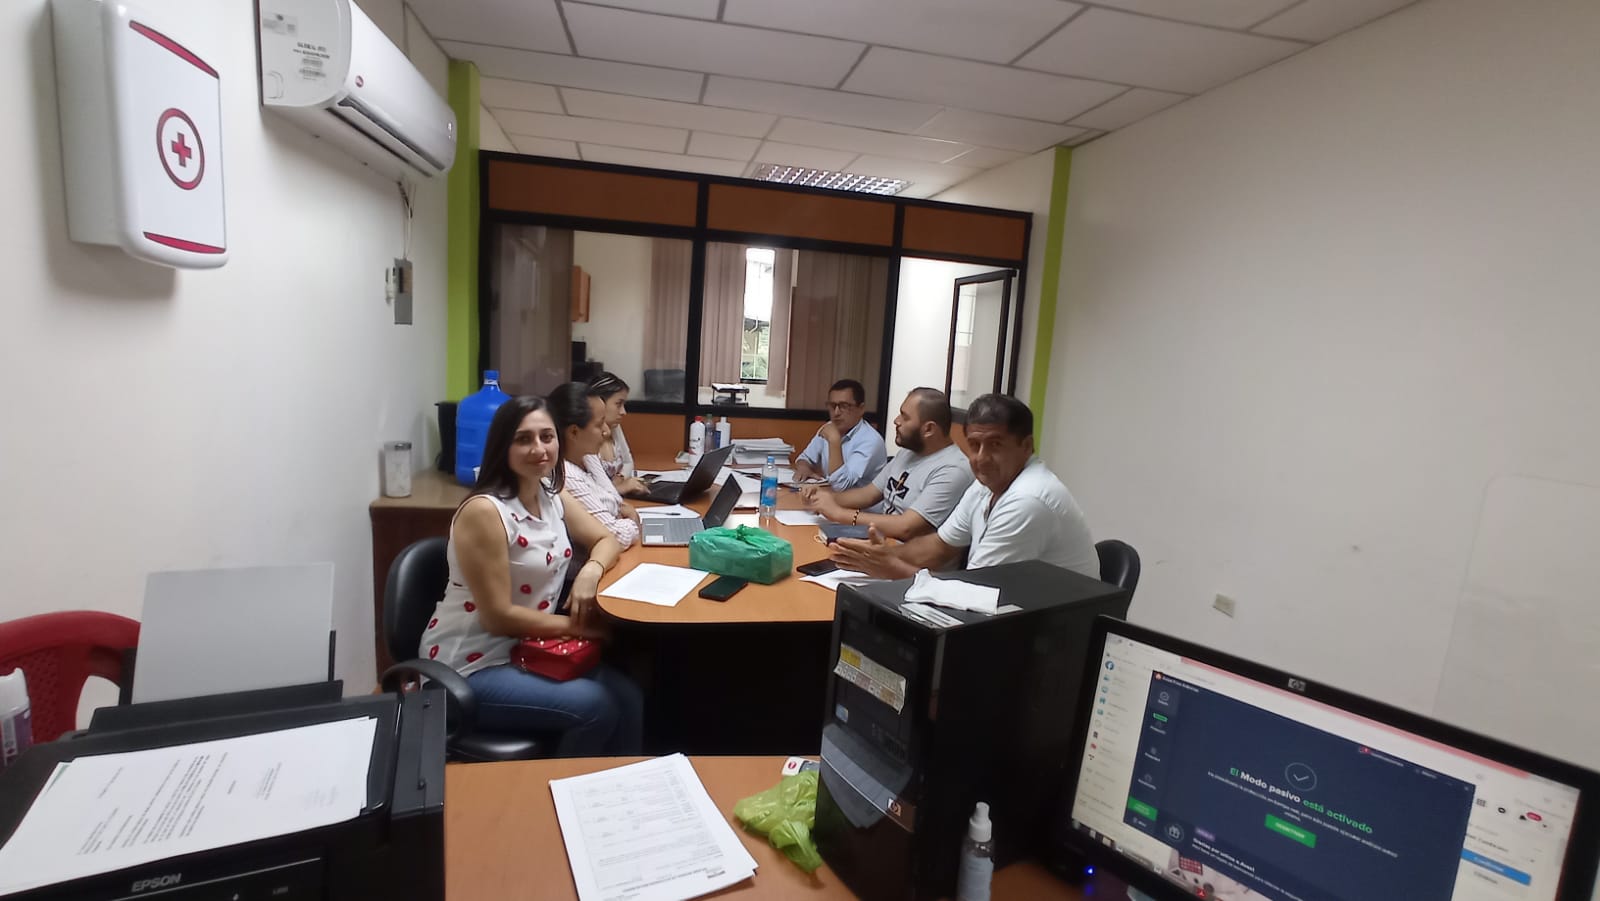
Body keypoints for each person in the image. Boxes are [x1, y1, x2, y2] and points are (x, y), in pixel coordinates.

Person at [420, 395, 644, 756]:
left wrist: (591, 570)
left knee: (629, 696)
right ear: (502, 447)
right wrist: (580, 628)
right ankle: (560, 788)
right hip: (469, 666)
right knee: (596, 705)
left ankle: (623, 786)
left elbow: (606, 539)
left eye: (546, 437)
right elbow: (498, 617)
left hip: (528, 650)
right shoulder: (486, 511)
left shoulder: (550, 493)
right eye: (523, 439)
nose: (539, 449)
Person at [830, 393, 1099, 580]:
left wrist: (892, 567)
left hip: (1059, 632)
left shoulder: (1027, 499)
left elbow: (975, 593)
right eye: (974, 445)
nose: (981, 458)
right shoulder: (987, 485)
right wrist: (882, 555)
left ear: (1026, 446)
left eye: (995, 445)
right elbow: (939, 546)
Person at [802, 388, 973, 539]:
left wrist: (838, 513)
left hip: (909, 558)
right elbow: (868, 494)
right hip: (879, 542)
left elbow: (906, 527)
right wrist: (824, 498)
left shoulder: (953, 469)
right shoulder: (909, 452)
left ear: (928, 429)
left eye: (905, 417)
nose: (896, 421)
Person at [547, 382, 641, 548]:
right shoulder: (565, 475)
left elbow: (617, 502)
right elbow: (617, 537)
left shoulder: (588, 456)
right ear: (574, 432)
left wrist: (619, 513)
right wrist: (632, 520)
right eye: (599, 424)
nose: (607, 431)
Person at [792, 379, 888, 492]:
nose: (836, 412)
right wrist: (804, 467)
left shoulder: (871, 441)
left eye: (844, 406)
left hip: (858, 503)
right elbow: (804, 458)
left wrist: (834, 441)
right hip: (831, 497)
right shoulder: (829, 428)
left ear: (861, 409)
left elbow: (840, 485)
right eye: (832, 406)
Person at [588, 372, 647, 497]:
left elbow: (628, 462)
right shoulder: (585, 437)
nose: (623, 412)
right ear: (600, 402)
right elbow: (587, 488)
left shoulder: (614, 427)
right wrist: (619, 488)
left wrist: (620, 477)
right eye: (618, 404)